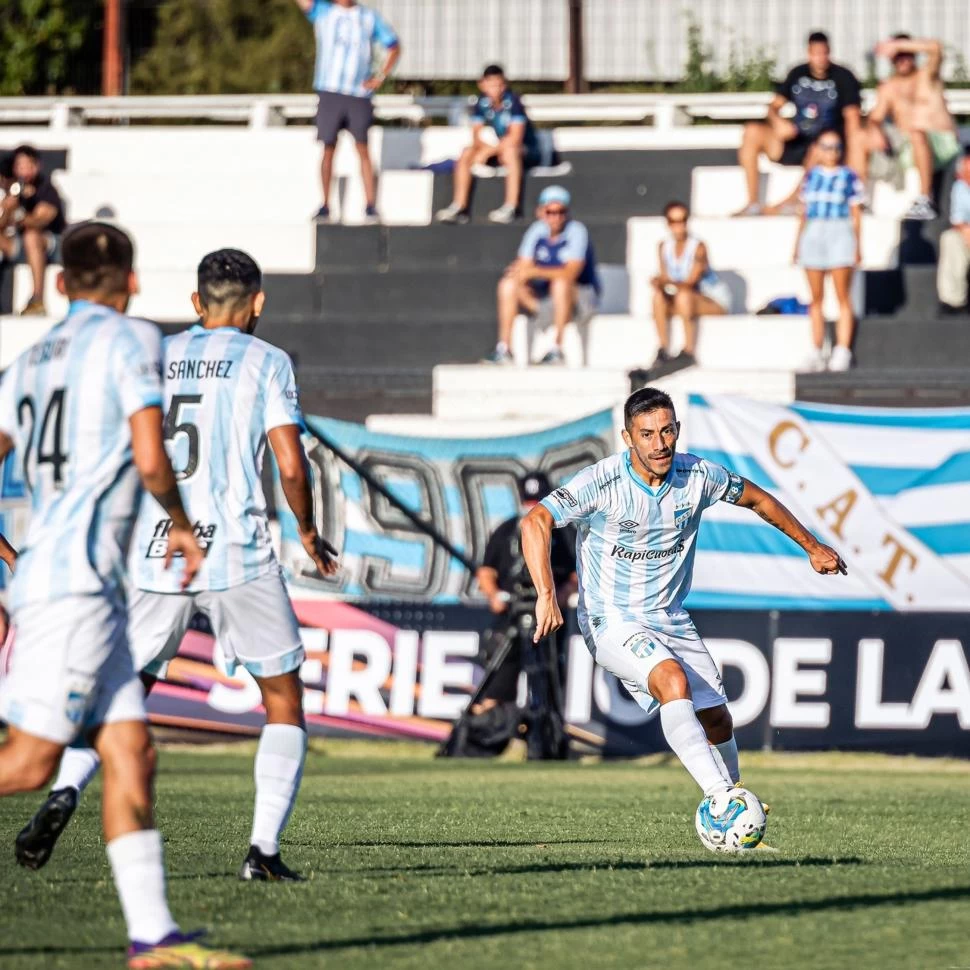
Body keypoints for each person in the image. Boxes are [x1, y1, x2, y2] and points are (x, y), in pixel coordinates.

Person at [16, 249, 340, 885]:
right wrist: (305, 529)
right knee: (282, 700)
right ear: (258, 302)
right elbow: (292, 465)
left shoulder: (153, 353)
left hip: (157, 547)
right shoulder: (267, 360)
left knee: (125, 689)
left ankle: (67, 790)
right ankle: (262, 851)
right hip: (237, 548)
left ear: (195, 303)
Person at [0, 222, 250, 968]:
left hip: (75, 581)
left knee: (132, 752)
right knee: (30, 765)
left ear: (62, 281)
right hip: (74, 584)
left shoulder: (28, 357)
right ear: (131, 281)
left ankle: (154, 941)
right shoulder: (132, 338)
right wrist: (179, 521)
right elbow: (151, 452)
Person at [520, 387, 846, 816]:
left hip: (670, 618)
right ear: (628, 437)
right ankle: (722, 802)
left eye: (667, 431)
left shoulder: (698, 477)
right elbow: (536, 521)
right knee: (672, 680)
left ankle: (732, 799)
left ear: (677, 430)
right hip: (610, 619)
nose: (659, 444)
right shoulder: (602, 483)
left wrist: (811, 546)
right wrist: (546, 594)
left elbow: (758, 499)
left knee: (717, 720)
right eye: (647, 434)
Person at [294, 0, 401, 224]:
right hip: (330, 90)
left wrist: (380, 76)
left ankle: (370, 205)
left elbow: (393, 44)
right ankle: (325, 205)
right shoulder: (323, 12)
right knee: (328, 148)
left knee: (362, 148)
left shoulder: (369, 17)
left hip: (358, 94)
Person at [735, 32, 862, 216]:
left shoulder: (843, 77)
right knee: (752, 131)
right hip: (796, 139)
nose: (820, 58)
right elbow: (773, 107)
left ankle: (792, 202)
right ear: (809, 53)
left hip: (826, 145)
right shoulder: (797, 73)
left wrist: (850, 151)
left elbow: (852, 118)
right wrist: (778, 122)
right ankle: (752, 203)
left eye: (824, 53)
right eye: (816, 53)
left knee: (821, 146)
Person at [484, 186, 600, 366]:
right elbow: (522, 267)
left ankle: (557, 349)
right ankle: (504, 348)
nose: (556, 217)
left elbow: (571, 273)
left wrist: (535, 271)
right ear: (541, 212)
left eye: (561, 212)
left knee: (560, 283)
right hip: (547, 299)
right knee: (508, 284)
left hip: (580, 299)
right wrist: (523, 272)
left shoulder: (577, 231)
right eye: (550, 212)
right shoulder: (536, 231)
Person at [867, 34, 961, 221]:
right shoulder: (889, 87)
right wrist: (876, 132)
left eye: (906, 54)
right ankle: (860, 196)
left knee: (918, 133)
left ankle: (925, 198)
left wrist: (899, 44)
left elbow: (936, 47)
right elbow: (874, 118)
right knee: (860, 135)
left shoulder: (927, 75)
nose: (903, 60)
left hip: (942, 144)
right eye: (898, 56)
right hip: (910, 147)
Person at [792, 130, 864, 372]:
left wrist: (857, 244)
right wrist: (796, 244)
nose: (831, 152)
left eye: (836, 147)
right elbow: (804, 212)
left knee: (842, 295)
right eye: (826, 146)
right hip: (814, 234)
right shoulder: (810, 176)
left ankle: (842, 349)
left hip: (839, 232)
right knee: (816, 298)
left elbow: (855, 213)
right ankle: (816, 349)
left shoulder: (849, 176)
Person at [436, 65, 542, 225]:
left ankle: (511, 206)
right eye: (492, 85)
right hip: (499, 149)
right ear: (482, 84)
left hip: (526, 151)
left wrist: (487, 152)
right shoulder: (482, 102)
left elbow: (515, 137)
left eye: (499, 85)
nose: (496, 89)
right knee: (466, 153)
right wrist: (483, 150)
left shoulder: (513, 102)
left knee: (510, 152)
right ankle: (459, 206)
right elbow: (476, 135)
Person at [649, 201, 731, 371]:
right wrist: (660, 283)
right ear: (668, 223)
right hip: (686, 298)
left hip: (711, 300)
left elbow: (690, 283)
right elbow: (666, 277)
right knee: (658, 297)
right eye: (674, 221)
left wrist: (664, 282)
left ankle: (689, 350)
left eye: (682, 220)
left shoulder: (698, 247)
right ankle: (663, 348)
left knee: (683, 296)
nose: (679, 226)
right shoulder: (664, 247)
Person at [0, 145, 68, 315]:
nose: (23, 171)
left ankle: (37, 299)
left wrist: (19, 212)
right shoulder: (13, 191)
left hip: (51, 244)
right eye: (19, 166)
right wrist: (8, 209)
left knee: (31, 236)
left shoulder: (46, 190)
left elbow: (39, 221)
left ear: (36, 166)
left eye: (27, 165)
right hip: (21, 245)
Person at [937, 150, 970, 313]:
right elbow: (957, 219)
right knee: (950, 239)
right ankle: (953, 300)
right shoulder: (960, 188)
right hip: (967, 236)